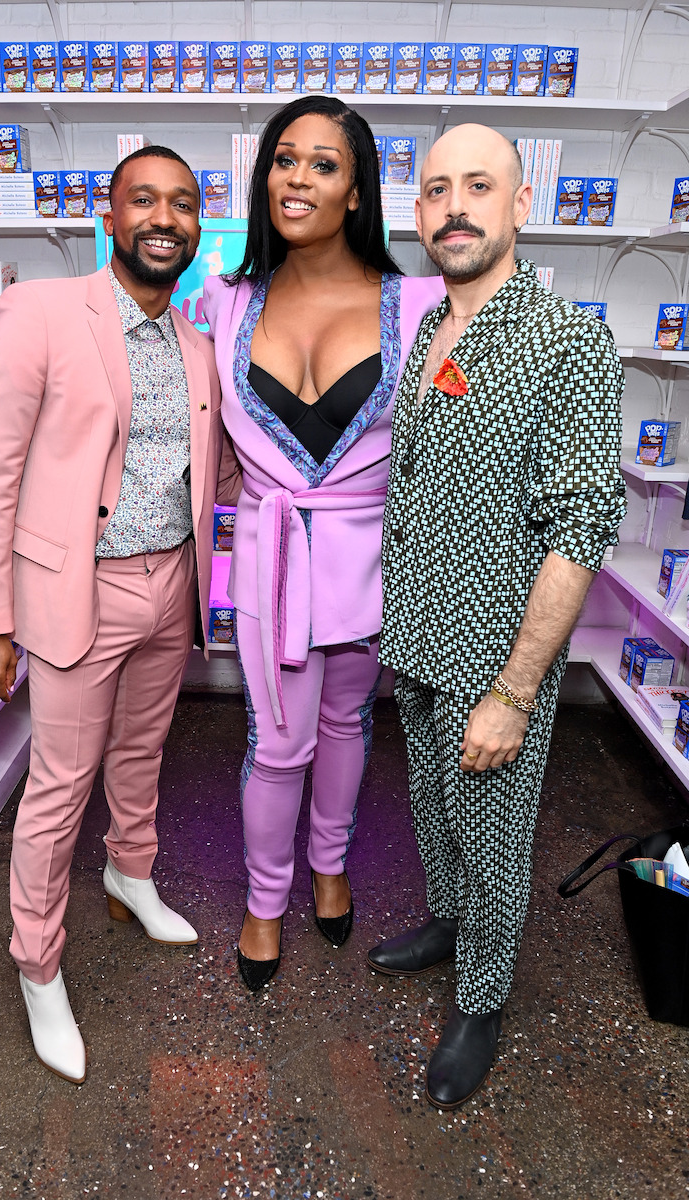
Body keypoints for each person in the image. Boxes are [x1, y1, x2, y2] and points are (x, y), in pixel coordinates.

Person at [0, 145, 240, 1083]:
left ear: (198, 228)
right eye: (144, 200)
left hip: (172, 587)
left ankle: (130, 873)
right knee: (58, 787)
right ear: (108, 220)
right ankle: (38, 966)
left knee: (141, 753)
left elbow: (217, 473)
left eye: (185, 203)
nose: (166, 217)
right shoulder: (40, 310)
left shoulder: (196, 346)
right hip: (81, 590)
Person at [369, 122, 626, 1109]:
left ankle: (481, 1000)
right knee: (435, 817)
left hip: (493, 655)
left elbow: (579, 531)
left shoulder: (562, 341)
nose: (453, 207)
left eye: (478, 186)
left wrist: (514, 692)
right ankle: (446, 923)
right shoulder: (433, 327)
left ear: (520, 205)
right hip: (418, 636)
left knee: (493, 833)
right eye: (434, 189)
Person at [203, 95, 445, 992]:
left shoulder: (418, 302)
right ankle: (266, 902)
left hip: (374, 558)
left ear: (357, 191)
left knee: (349, 721)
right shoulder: (226, 303)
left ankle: (331, 866)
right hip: (272, 558)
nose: (297, 178)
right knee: (275, 742)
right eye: (283, 159)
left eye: (323, 164)